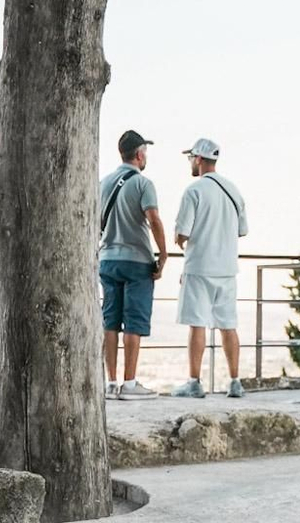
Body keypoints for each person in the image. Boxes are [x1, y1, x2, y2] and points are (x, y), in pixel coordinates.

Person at [171, 138, 249, 398]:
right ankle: (235, 381)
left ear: (199, 159)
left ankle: (194, 382)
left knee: (197, 325)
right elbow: (242, 231)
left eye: (191, 158)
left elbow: (181, 234)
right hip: (227, 268)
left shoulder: (193, 191)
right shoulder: (234, 190)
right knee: (228, 325)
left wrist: (181, 239)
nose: (190, 163)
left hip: (200, 267)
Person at [100, 130, 167, 400]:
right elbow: (154, 219)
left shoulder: (103, 183)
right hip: (137, 260)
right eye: (145, 152)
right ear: (139, 154)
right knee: (134, 322)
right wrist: (162, 255)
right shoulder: (143, 184)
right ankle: (129, 383)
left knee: (110, 321)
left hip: (107, 259)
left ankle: (111, 382)